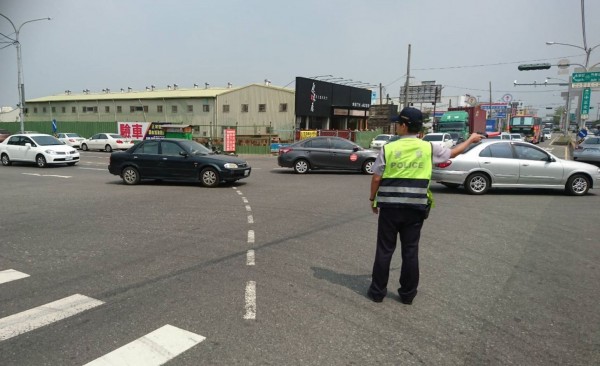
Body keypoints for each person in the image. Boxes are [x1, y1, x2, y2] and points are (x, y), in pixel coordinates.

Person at [367, 107, 483, 304]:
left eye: (398, 123)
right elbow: (452, 153)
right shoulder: (429, 148)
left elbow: (377, 177)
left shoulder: (388, 148)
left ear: (404, 126)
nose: (396, 126)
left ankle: (378, 292)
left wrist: (372, 199)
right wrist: (471, 139)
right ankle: (407, 295)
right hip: (416, 208)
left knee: (385, 250)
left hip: (390, 208)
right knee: (410, 251)